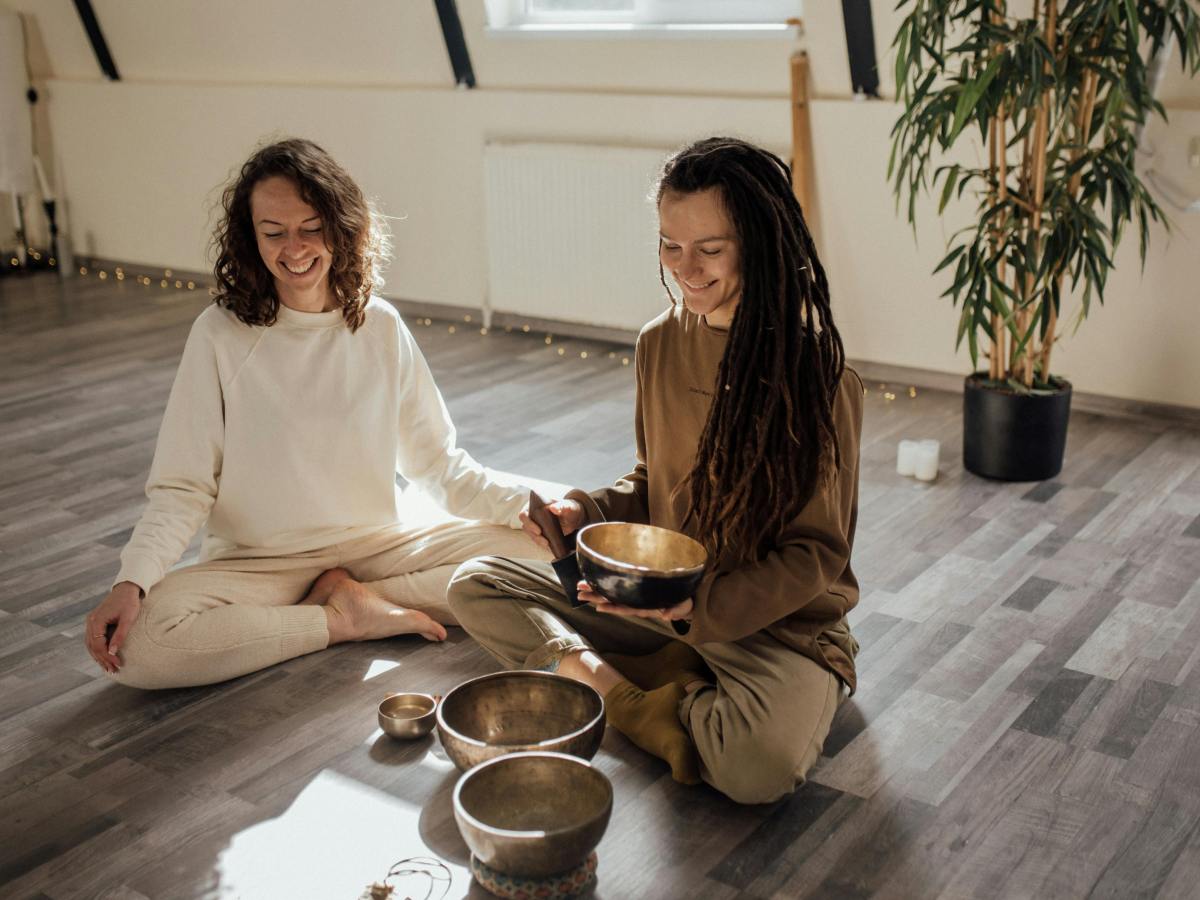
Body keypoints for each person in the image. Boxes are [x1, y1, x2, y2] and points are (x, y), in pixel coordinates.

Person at [447, 137, 863, 804]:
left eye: (710, 248)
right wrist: (588, 511)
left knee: (757, 769)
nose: (685, 267)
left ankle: (633, 682)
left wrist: (698, 610)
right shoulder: (659, 343)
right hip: (659, 604)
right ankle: (636, 700)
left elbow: (815, 556)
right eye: (671, 245)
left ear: (757, 242)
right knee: (475, 584)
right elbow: (653, 481)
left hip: (776, 628)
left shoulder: (821, 375)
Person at [83, 138, 546, 689]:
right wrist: (131, 582)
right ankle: (337, 618)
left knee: (543, 557)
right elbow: (183, 488)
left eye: (311, 227)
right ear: (251, 239)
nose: (294, 248)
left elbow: (438, 467)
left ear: (341, 226)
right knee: (144, 645)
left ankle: (364, 600)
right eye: (274, 232)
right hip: (261, 563)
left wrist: (530, 508)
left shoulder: (380, 327)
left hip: (375, 546)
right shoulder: (220, 334)